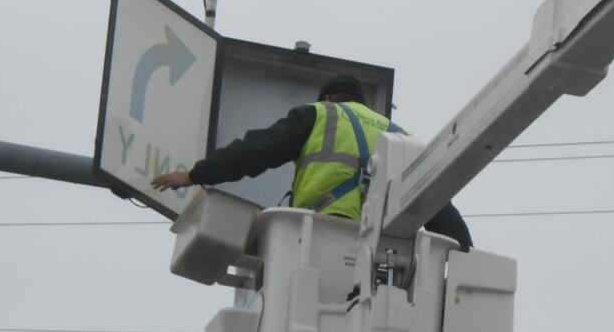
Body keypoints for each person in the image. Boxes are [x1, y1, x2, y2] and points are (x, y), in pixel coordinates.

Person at [152, 75, 473, 251]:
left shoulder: (319, 114)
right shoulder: (401, 136)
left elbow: (253, 152)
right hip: (385, 253)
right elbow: (438, 205)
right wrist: (466, 260)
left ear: (328, 98)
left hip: (322, 235)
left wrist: (195, 174)